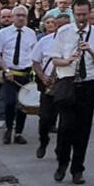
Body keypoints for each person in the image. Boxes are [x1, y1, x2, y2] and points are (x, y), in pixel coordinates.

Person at [50, 0, 94, 185]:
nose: (82, 18)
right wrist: (68, 60)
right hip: (67, 82)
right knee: (66, 127)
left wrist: (90, 51)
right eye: (78, 15)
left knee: (83, 130)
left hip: (87, 84)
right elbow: (54, 59)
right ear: (73, 14)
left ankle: (78, 169)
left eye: (85, 14)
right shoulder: (64, 32)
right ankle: (62, 163)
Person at [0, 5, 38, 145]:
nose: (21, 18)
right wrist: (5, 70)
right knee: (9, 102)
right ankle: (9, 128)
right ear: (13, 17)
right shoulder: (3, 33)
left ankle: (19, 133)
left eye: (24, 15)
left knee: (23, 105)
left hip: (25, 73)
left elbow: (34, 53)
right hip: (10, 72)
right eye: (18, 15)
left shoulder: (30, 33)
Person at [32, 15, 68, 158]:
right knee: (45, 117)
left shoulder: (74, 43)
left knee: (65, 121)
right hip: (48, 83)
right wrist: (43, 77)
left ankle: (61, 150)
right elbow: (35, 62)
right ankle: (43, 141)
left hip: (65, 84)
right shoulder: (45, 41)